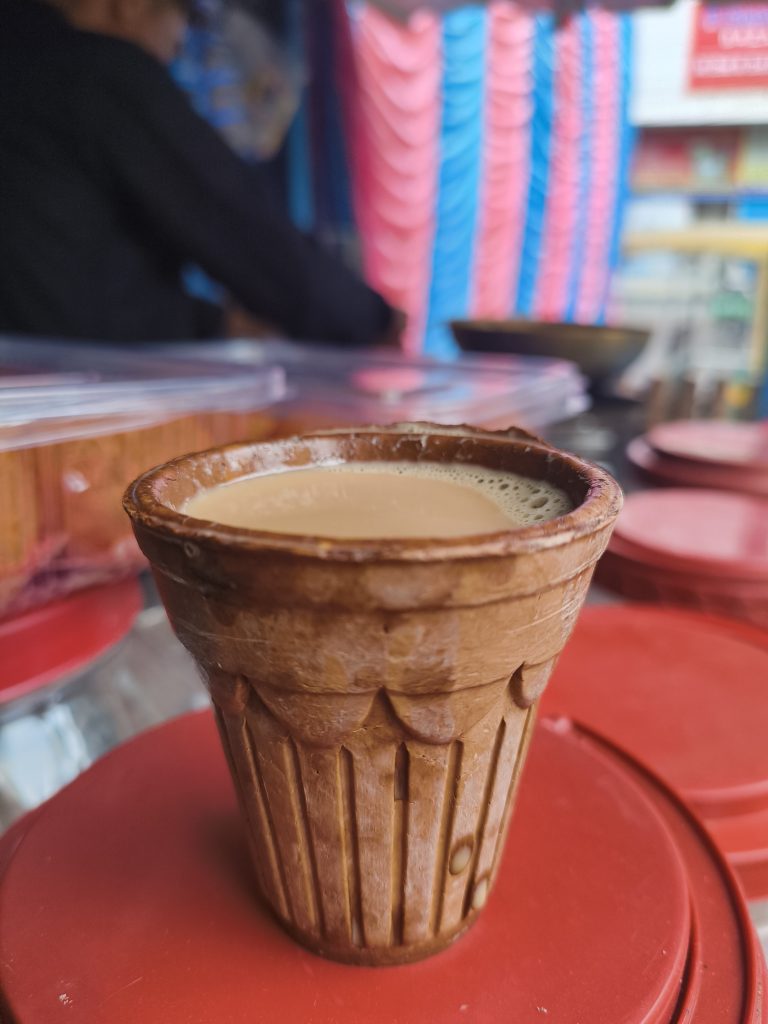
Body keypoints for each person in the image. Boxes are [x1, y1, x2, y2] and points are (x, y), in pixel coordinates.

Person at [0, 0, 399, 345]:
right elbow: (241, 229)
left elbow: (68, 271)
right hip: (74, 406)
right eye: (177, 35)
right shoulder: (101, 74)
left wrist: (212, 324)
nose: (172, 57)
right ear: (131, 5)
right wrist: (369, 320)